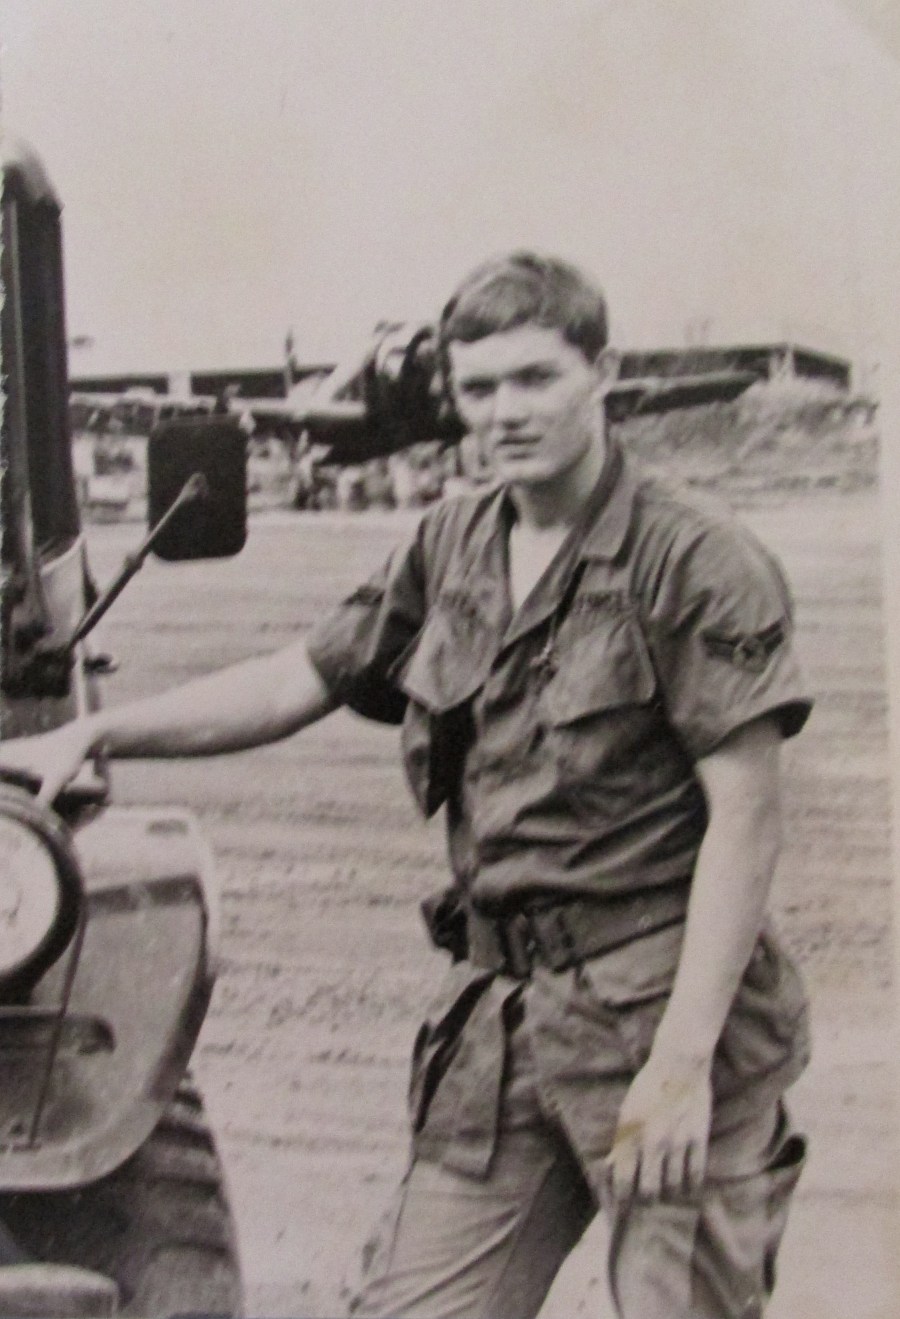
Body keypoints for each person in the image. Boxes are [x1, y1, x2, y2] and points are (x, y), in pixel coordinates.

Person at [0, 252, 812, 1319]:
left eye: (534, 379)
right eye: (479, 389)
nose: (505, 412)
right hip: (503, 1021)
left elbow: (747, 822)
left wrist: (684, 1062)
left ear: (601, 370)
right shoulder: (453, 541)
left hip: (659, 1001)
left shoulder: (694, 558)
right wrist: (103, 729)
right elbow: (303, 676)